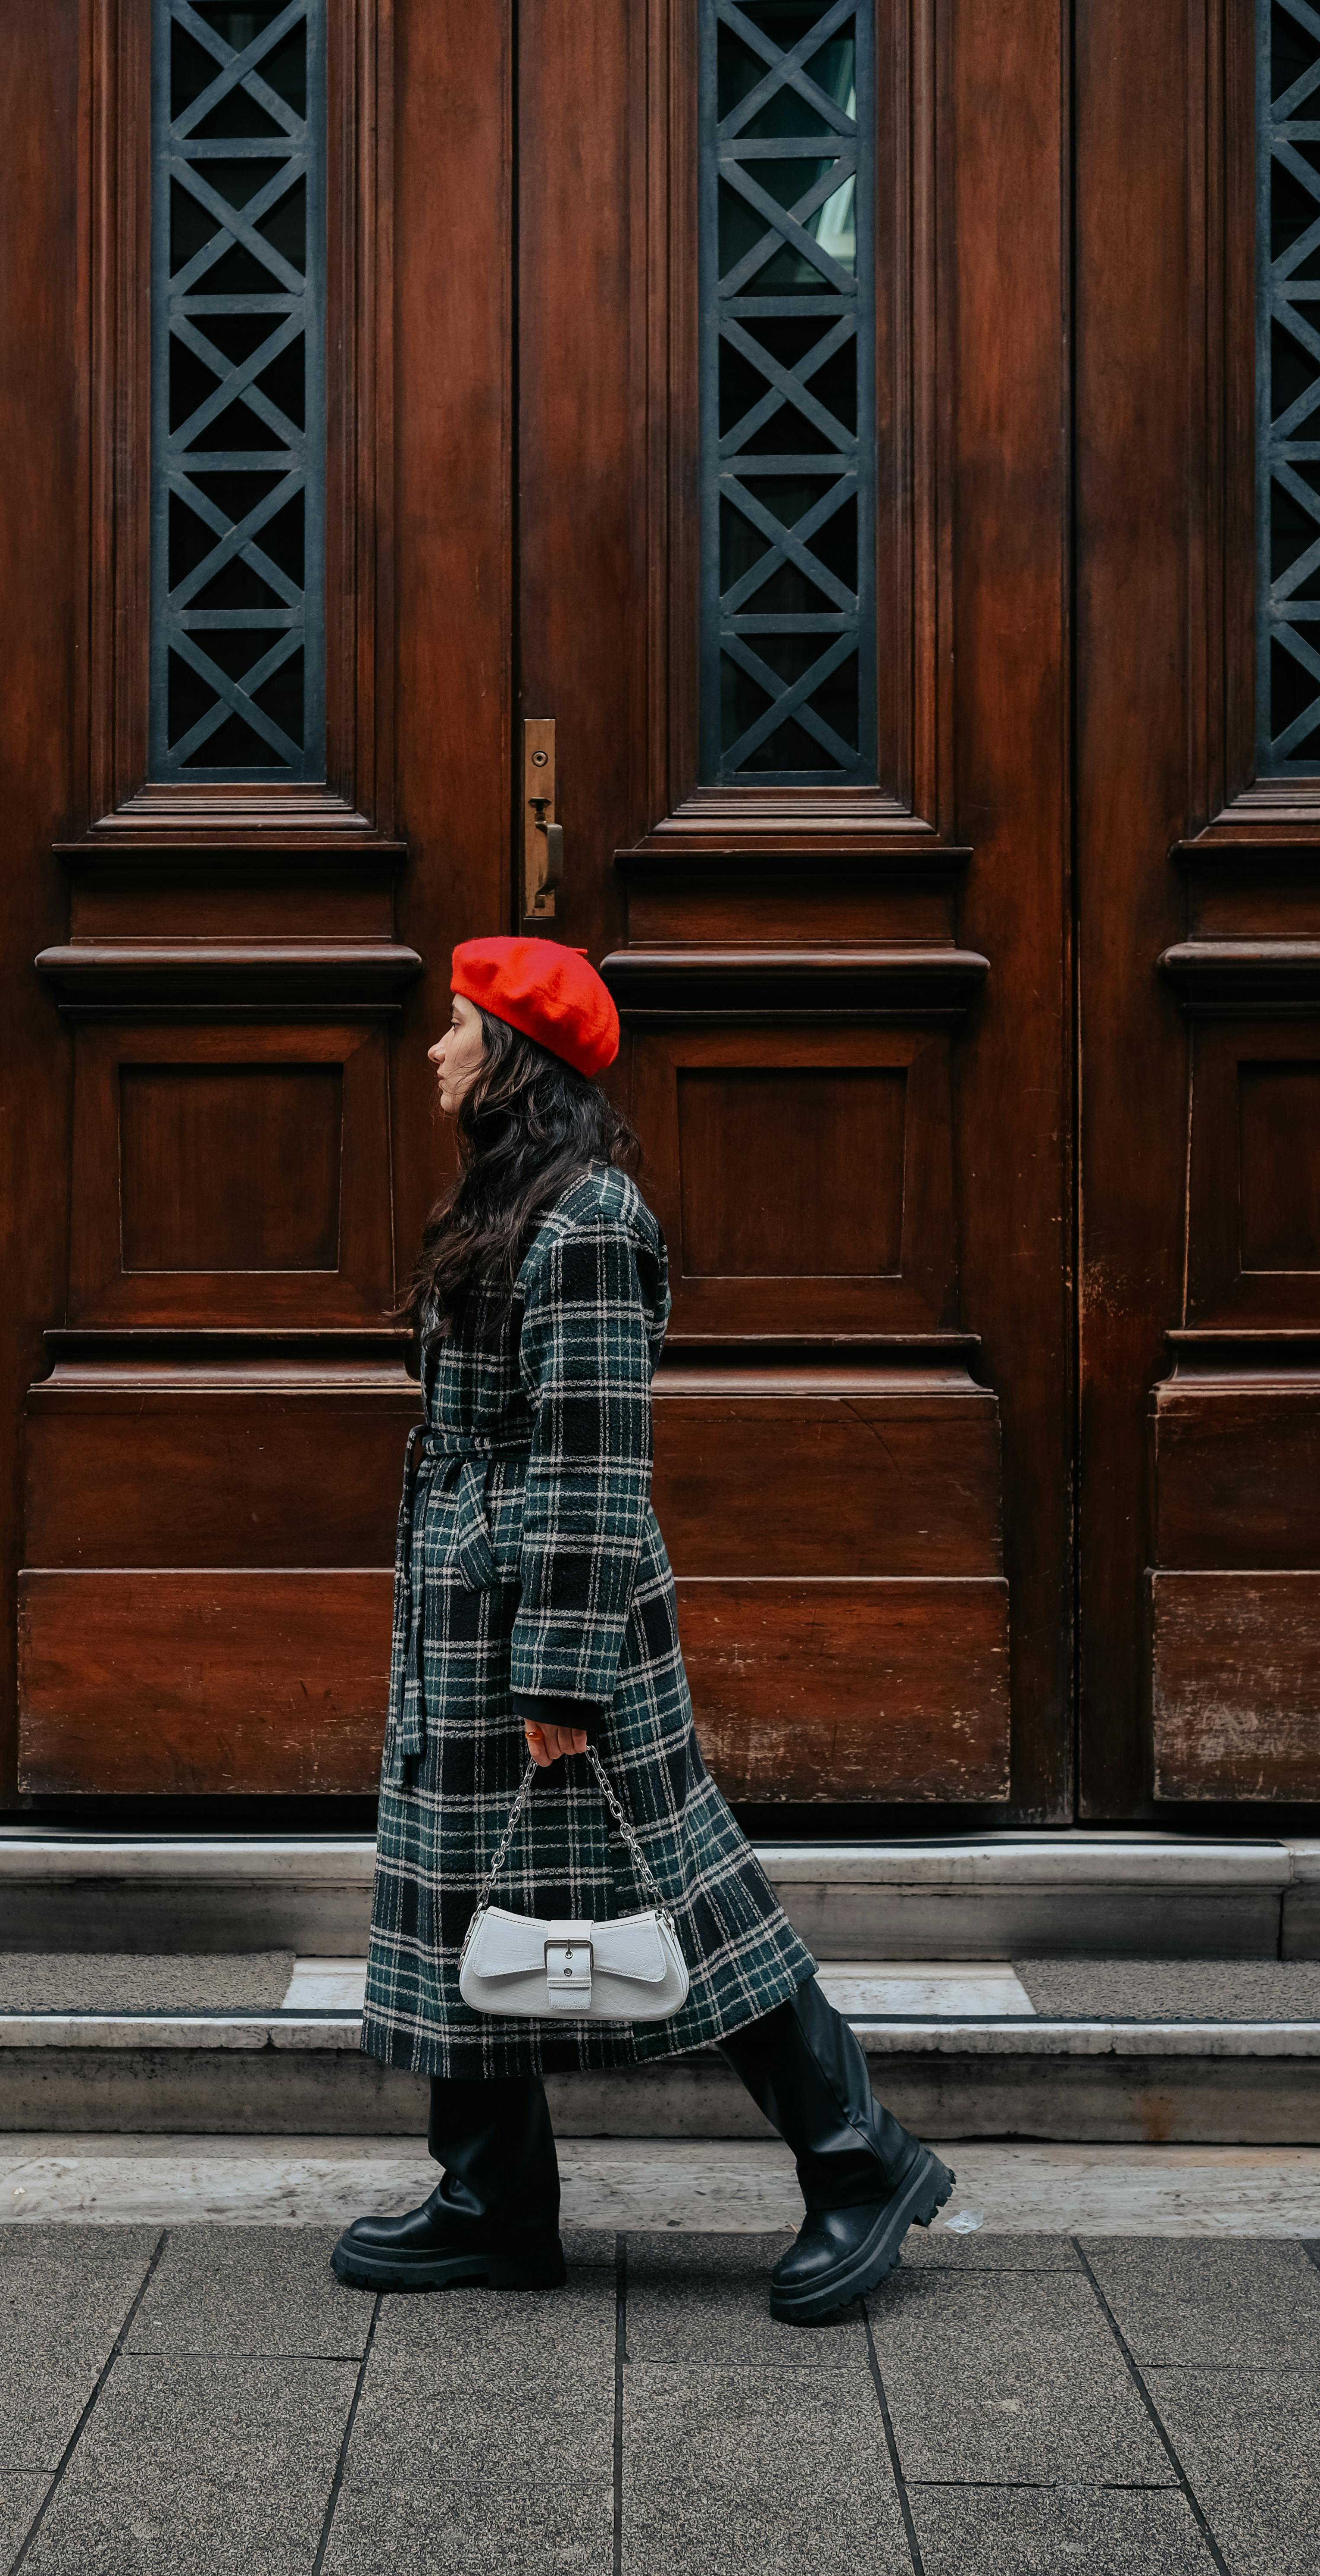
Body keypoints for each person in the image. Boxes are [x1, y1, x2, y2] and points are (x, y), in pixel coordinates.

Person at [332, 936, 953, 2322]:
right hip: (474, 1593)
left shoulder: (589, 1220)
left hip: (551, 1609)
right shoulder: (513, 1202)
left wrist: (559, 1667)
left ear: (509, 1053)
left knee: (690, 1887)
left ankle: (861, 2161)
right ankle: (491, 2199)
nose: (432, 1051)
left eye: (453, 1028)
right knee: (461, 1885)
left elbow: (594, 1457)